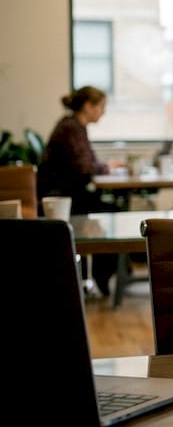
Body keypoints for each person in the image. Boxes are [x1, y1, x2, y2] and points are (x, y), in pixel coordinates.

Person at [37, 86, 122, 295]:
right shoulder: (71, 128)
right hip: (62, 199)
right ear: (87, 106)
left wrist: (102, 166)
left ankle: (105, 277)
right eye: (101, 107)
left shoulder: (74, 126)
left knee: (111, 210)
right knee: (112, 216)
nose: (103, 112)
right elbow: (84, 167)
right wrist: (107, 167)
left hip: (69, 195)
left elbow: (86, 163)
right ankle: (104, 278)